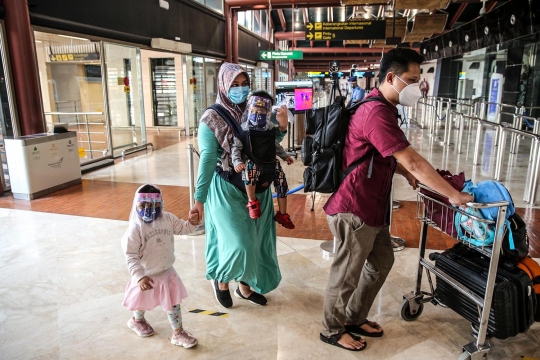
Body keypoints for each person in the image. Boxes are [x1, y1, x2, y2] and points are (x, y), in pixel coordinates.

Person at [319, 48, 474, 351]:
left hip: (372, 206)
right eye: (412, 80)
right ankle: (331, 329)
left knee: (382, 261)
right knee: (346, 273)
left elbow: (384, 155)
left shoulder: (383, 107)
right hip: (355, 208)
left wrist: (404, 173)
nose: (418, 86)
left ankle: (354, 317)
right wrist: (452, 194)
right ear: (391, 77)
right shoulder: (375, 111)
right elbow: (413, 160)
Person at [190, 63, 289, 309]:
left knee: (256, 241)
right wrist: (199, 200)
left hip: (258, 185)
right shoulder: (211, 118)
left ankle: (244, 287)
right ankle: (221, 280)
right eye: (234, 85)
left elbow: (268, 143)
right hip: (227, 187)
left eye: (245, 84)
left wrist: (283, 127)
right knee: (238, 242)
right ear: (223, 85)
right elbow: (207, 161)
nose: (241, 90)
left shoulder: (256, 110)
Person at [121, 184, 201, 348]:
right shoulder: (135, 228)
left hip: (166, 272)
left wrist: (193, 222)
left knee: (173, 304)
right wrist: (139, 276)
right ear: (136, 204)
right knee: (141, 301)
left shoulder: (168, 218)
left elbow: (184, 228)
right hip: (146, 275)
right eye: (143, 205)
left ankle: (178, 333)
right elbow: (131, 256)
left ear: (160, 203)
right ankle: (137, 320)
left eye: (153, 205)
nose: (148, 209)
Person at [231, 90, 295, 229]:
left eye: (262, 112)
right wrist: (237, 162)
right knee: (251, 167)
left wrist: (285, 156)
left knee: (281, 180)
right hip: (252, 165)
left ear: (268, 113)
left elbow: (275, 145)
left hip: (269, 164)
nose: (258, 114)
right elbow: (235, 148)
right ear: (249, 110)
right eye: (255, 111)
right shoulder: (243, 130)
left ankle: (282, 214)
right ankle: (252, 201)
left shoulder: (269, 129)